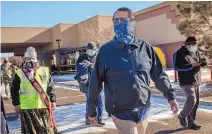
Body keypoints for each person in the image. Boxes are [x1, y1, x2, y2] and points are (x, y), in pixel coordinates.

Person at [87, 7, 179, 134]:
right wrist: (91, 111)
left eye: (124, 19)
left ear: (133, 23)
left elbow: (158, 74)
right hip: (121, 113)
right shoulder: (105, 51)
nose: (120, 23)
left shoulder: (145, 47)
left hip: (144, 109)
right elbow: (95, 83)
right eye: (116, 20)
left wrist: (170, 96)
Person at [11, 47, 58, 134]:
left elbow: (50, 87)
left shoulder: (44, 71)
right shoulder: (19, 73)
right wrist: (16, 103)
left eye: (33, 58)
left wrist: (53, 100)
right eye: (29, 59)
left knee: (46, 131)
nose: (31, 61)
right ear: (25, 60)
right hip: (27, 108)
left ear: (36, 59)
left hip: (43, 106)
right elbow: (14, 90)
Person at [174, 36, 207, 130]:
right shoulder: (180, 53)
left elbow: (200, 60)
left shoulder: (196, 51)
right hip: (186, 81)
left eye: (196, 44)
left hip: (196, 79)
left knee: (195, 103)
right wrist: (191, 66)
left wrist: (203, 62)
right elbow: (177, 67)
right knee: (192, 99)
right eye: (193, 44)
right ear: (188, 44)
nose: (195, 46)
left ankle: (191, 123)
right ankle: (182, 116)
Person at [75, 42, 105, 126]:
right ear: (87, 50)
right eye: (90, 50)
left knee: (100, 103)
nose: (92, 51)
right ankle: (88, 119)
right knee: (90, 103)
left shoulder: (98, 57)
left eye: (93, 50)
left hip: (97, 84)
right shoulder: (82, 57)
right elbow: (80, 67)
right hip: (87, 85)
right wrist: (89, 65)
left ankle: (99, 119)